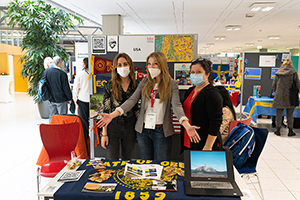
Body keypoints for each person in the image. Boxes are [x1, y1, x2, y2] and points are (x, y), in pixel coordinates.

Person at [97, 52, 200, 161]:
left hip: (161, 131)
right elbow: (131, 100)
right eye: (149, 64)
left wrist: (187, 125)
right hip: (144, 131)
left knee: (162, 164)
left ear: (162, 64)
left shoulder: (171, 84)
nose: (151, 67)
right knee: (147, 165)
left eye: (155, 63)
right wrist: (112, 115)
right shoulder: (144, 82)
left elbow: (176, 106)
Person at [100, 53, 139, 160]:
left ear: (130, 66)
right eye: (119, 65)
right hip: (113, 126)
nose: (123, 67)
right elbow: (106, 110)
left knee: (127, 161)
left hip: (130, 127)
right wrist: (104, 134)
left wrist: (138, 132)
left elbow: (137, 111)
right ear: (115, 68)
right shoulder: (109, 85)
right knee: (112, 161)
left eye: (125, 64)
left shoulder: (136, 86)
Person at [181, 58, 223, 151]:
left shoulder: (212, 94)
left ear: (207, 74)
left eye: (199, 72)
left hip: (204, 143)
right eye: (192, 72)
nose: (194, 75)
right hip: (188, 140)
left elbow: (216, 122)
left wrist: (208, 146)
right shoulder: (190, 91)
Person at [272, 59, 300, 136]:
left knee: (279, 113)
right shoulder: (294, 72)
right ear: (291, 64)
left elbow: (273, 85)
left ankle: (278, 130)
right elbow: (298, 84)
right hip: (291, 96)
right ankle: (290, 131)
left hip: (279, 95)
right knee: (290, 114)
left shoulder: (278, 73)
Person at [45, 56, 72, 122]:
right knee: (62, 116)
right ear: (60, 63)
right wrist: (69, 98)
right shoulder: (62, 74)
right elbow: (66, 88)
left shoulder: (47, 72)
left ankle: (51, 130)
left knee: (52, 115)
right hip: (61, 99)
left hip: (51, 98)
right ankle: (61, 131)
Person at [73, 57, 90, 126]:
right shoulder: (95, 73)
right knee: (95, 119)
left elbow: (75, 88)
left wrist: (75, 99)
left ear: (84, 64)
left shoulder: (80, 74)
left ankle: (85, 136)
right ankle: (96, 136)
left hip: (83, 99)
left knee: (84, 120)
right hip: (95, 99)